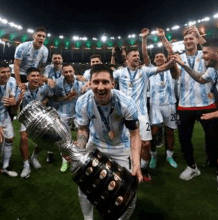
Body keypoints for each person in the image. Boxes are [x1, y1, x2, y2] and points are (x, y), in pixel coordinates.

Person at [75, 64, 143, 220]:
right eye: (96, 82)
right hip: (95, 146)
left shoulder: (126, 103)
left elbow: (134, 134)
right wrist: (79, 146)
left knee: (129, 192)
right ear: (90, 83)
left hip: (121, 147)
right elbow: (82, 130)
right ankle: (88, 218)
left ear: (113, 84)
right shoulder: (82, 102)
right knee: (84, 186)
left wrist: (137, 162)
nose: (100, 87)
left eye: (105, 82)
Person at [113, 45, 175, 178]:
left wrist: (173, 60)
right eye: (134, 56)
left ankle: (144, 168)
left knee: (146, 144)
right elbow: (107, 78)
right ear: (127, 59)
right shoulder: (120, 73)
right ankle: (126, 167)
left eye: (138, 55)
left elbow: (163, 67)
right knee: (124, 144)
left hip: (141, 114)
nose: (137, 57)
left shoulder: (145, 71)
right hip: (124, 115)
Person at [170, 26, 218, 181]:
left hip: (206, 104)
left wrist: (198, 34)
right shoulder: (179, 57)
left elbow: (213, 51)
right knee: (184, 139)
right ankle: (192, 167)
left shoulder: (204, 55)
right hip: (184, 105)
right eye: (186, 39)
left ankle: (216, 168)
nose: (188, 41)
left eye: (192, 38)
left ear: (197, 40)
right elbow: (175, 75)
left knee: (213, 139)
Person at [142, 28, 178, 169]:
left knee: (170, 131)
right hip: (155, 105)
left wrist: (163, 38)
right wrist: (144, 38)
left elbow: (172, 54)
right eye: (156, 57)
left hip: (170, 104)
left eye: (161, 57)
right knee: (154, 132)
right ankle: (154, 156)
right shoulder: (150, 69)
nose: (158, 58)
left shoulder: (171, 69)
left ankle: (169, 155)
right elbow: (145, 54)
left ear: (165, 59)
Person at [17, 67, 54, 178]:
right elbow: (15, 104)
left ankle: (34, 157)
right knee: (24, 138)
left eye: (38, 76)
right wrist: (19, 99)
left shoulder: (44, 88)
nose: (36, 78)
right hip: (25, 117)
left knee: (46, 138)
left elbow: (50, 96)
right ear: (27, 78)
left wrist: (44, 102)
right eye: (33, 76)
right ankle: (26, 165)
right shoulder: (21, 88)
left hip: (39, 116)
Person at [53, 63, 85, 173]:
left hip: (78, 113)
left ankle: (79, 160)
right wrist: (67, 97)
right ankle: (65, 161)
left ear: (74, 71)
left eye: (70, 71)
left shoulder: (81, 82)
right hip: (64, 112)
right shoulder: (58, 84)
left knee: (82, 136)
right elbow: (56, 99)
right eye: (65, 72)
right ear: (62, 73)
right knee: (64, 139)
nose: (68, 74)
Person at [0, 62, 18, 177]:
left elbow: (12, 101)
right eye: (3, 72)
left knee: (9, 139)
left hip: (4, 115)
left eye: (8, 72)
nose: (6, 74)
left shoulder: (12, 81)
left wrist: (14, 101)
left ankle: (5, 166)